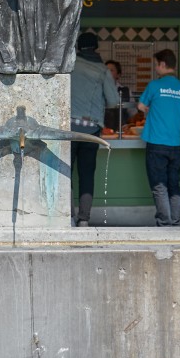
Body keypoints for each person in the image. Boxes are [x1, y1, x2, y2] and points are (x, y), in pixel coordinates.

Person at [70, 32, 118, 227]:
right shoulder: (103, 70)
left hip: (69, 129)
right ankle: (84, 219)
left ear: (78, 48)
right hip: (91, 131)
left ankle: (66, 216)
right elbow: (114, 101)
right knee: (87, 174)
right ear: (96, 48)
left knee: (66, 173)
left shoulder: (70, 66)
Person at [138, 49, 180, 227]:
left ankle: (164, 223)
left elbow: (141, 105)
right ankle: (175, 221)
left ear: (163, 64)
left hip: (157, 143)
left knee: (159, 186)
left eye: (156, 65)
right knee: (174, 185)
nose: (155, 68)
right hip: (175, 144)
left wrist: (150, 110)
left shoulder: (154, 85)